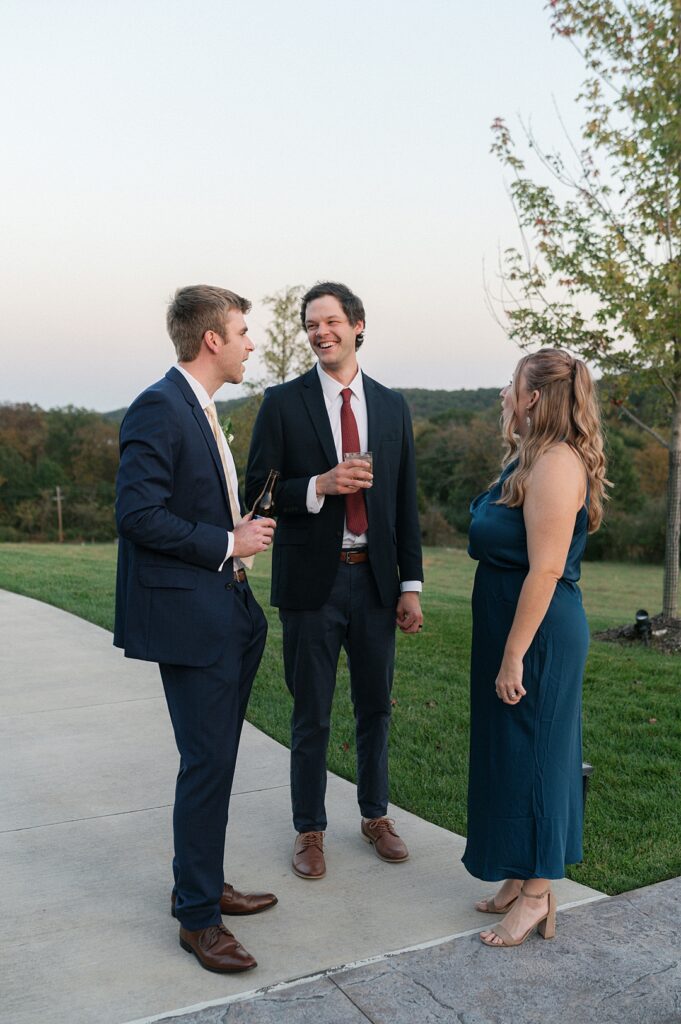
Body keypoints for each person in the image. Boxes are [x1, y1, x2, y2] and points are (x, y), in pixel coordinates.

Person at [114, 285, 277, 973]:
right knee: (207, 764)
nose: (250, 344)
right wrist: (227, 542)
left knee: (217, 761)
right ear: (212, 339)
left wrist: (237, 536)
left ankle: (202, 883)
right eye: (242, 332)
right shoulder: (160, 406)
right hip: (191, 618)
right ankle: (198, 919)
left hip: (229, 610)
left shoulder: (202, 408)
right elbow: (137, 514)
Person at [246, 281, 424, 879]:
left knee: (375, 708)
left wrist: (410, 585)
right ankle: (310, 828)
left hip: (375, 583)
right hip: (310, 587)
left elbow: (405, 502)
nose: (320, 333)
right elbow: (258, 493)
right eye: (311, 325)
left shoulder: (392, 406)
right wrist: (318, 486)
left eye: (330, 322)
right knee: (312, 714)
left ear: (357, 325)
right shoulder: (282, 402)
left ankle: (376, 816)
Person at [464, 348, 608, 947]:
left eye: (511, 384)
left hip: (539, 635)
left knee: (541, 757)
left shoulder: (556, 465)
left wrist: (514, 653)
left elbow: (546, 570)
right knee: (511, 754)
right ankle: (520, 869)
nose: (504, 393)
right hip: (514, 627)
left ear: (534, 396)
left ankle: (538, 895)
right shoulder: (528, 458)